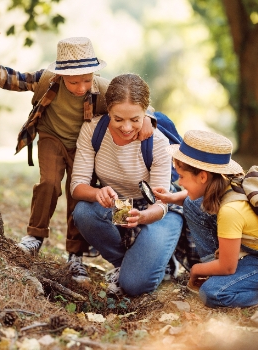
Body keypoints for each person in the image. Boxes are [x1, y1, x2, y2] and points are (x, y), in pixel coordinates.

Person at [0, 37, 154, 282]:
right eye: (74, 82)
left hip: (83, 147)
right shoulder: (46, 80)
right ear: (61, 74)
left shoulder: (104, 89)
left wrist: (148, 118)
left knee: (79, 194)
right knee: (50, 184)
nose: (81, 87)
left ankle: (75, 256)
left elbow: (133, 105)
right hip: (51, 138)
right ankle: (35, 236)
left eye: (87, 80)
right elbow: (16, 80)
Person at [70, 73, 183, 296]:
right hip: (120, 207)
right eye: (118, 119)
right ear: (108, 110)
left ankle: (159, 261)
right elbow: (77, 186)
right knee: (84, 211)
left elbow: (161, 204)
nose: (127, 127)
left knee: (134, 287)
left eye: (135, 119)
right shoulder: (93, 131)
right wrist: (97, 193)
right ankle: (127, 264)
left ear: (146, 113)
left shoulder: (157, 140)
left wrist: (142, 217)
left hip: (158, 210)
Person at [153, 130, 258, 308]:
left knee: (212, 293)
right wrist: (172, 198)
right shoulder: (227, 184)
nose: (179, 183)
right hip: (247, 250)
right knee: (191, 203)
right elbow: (193, 197)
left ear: (203, 176)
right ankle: (213, 269)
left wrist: (197, 270)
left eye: (181, 177)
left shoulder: (230, 211)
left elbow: (228, 267)